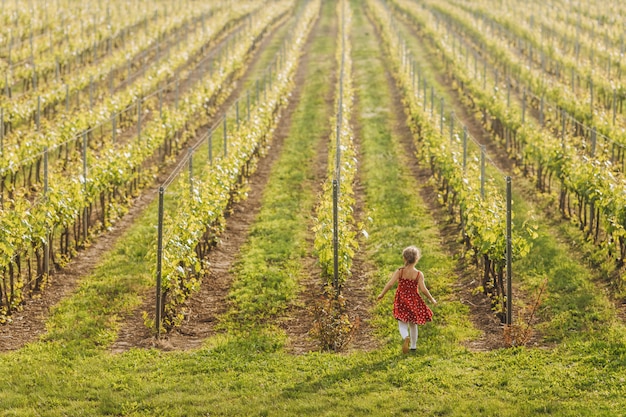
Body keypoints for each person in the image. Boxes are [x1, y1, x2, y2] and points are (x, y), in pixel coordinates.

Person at [377, 246, 437, 354]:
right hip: (414, 300)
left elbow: (390, 284)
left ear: (404, 258)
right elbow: (423, 289)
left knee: (402, 323)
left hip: (401, 299)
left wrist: (382, 294)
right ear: (417, 259)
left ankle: (405, 337)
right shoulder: (418, 274)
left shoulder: (400, 271)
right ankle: (413, 346)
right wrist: (432, 299)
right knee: (413, 324)